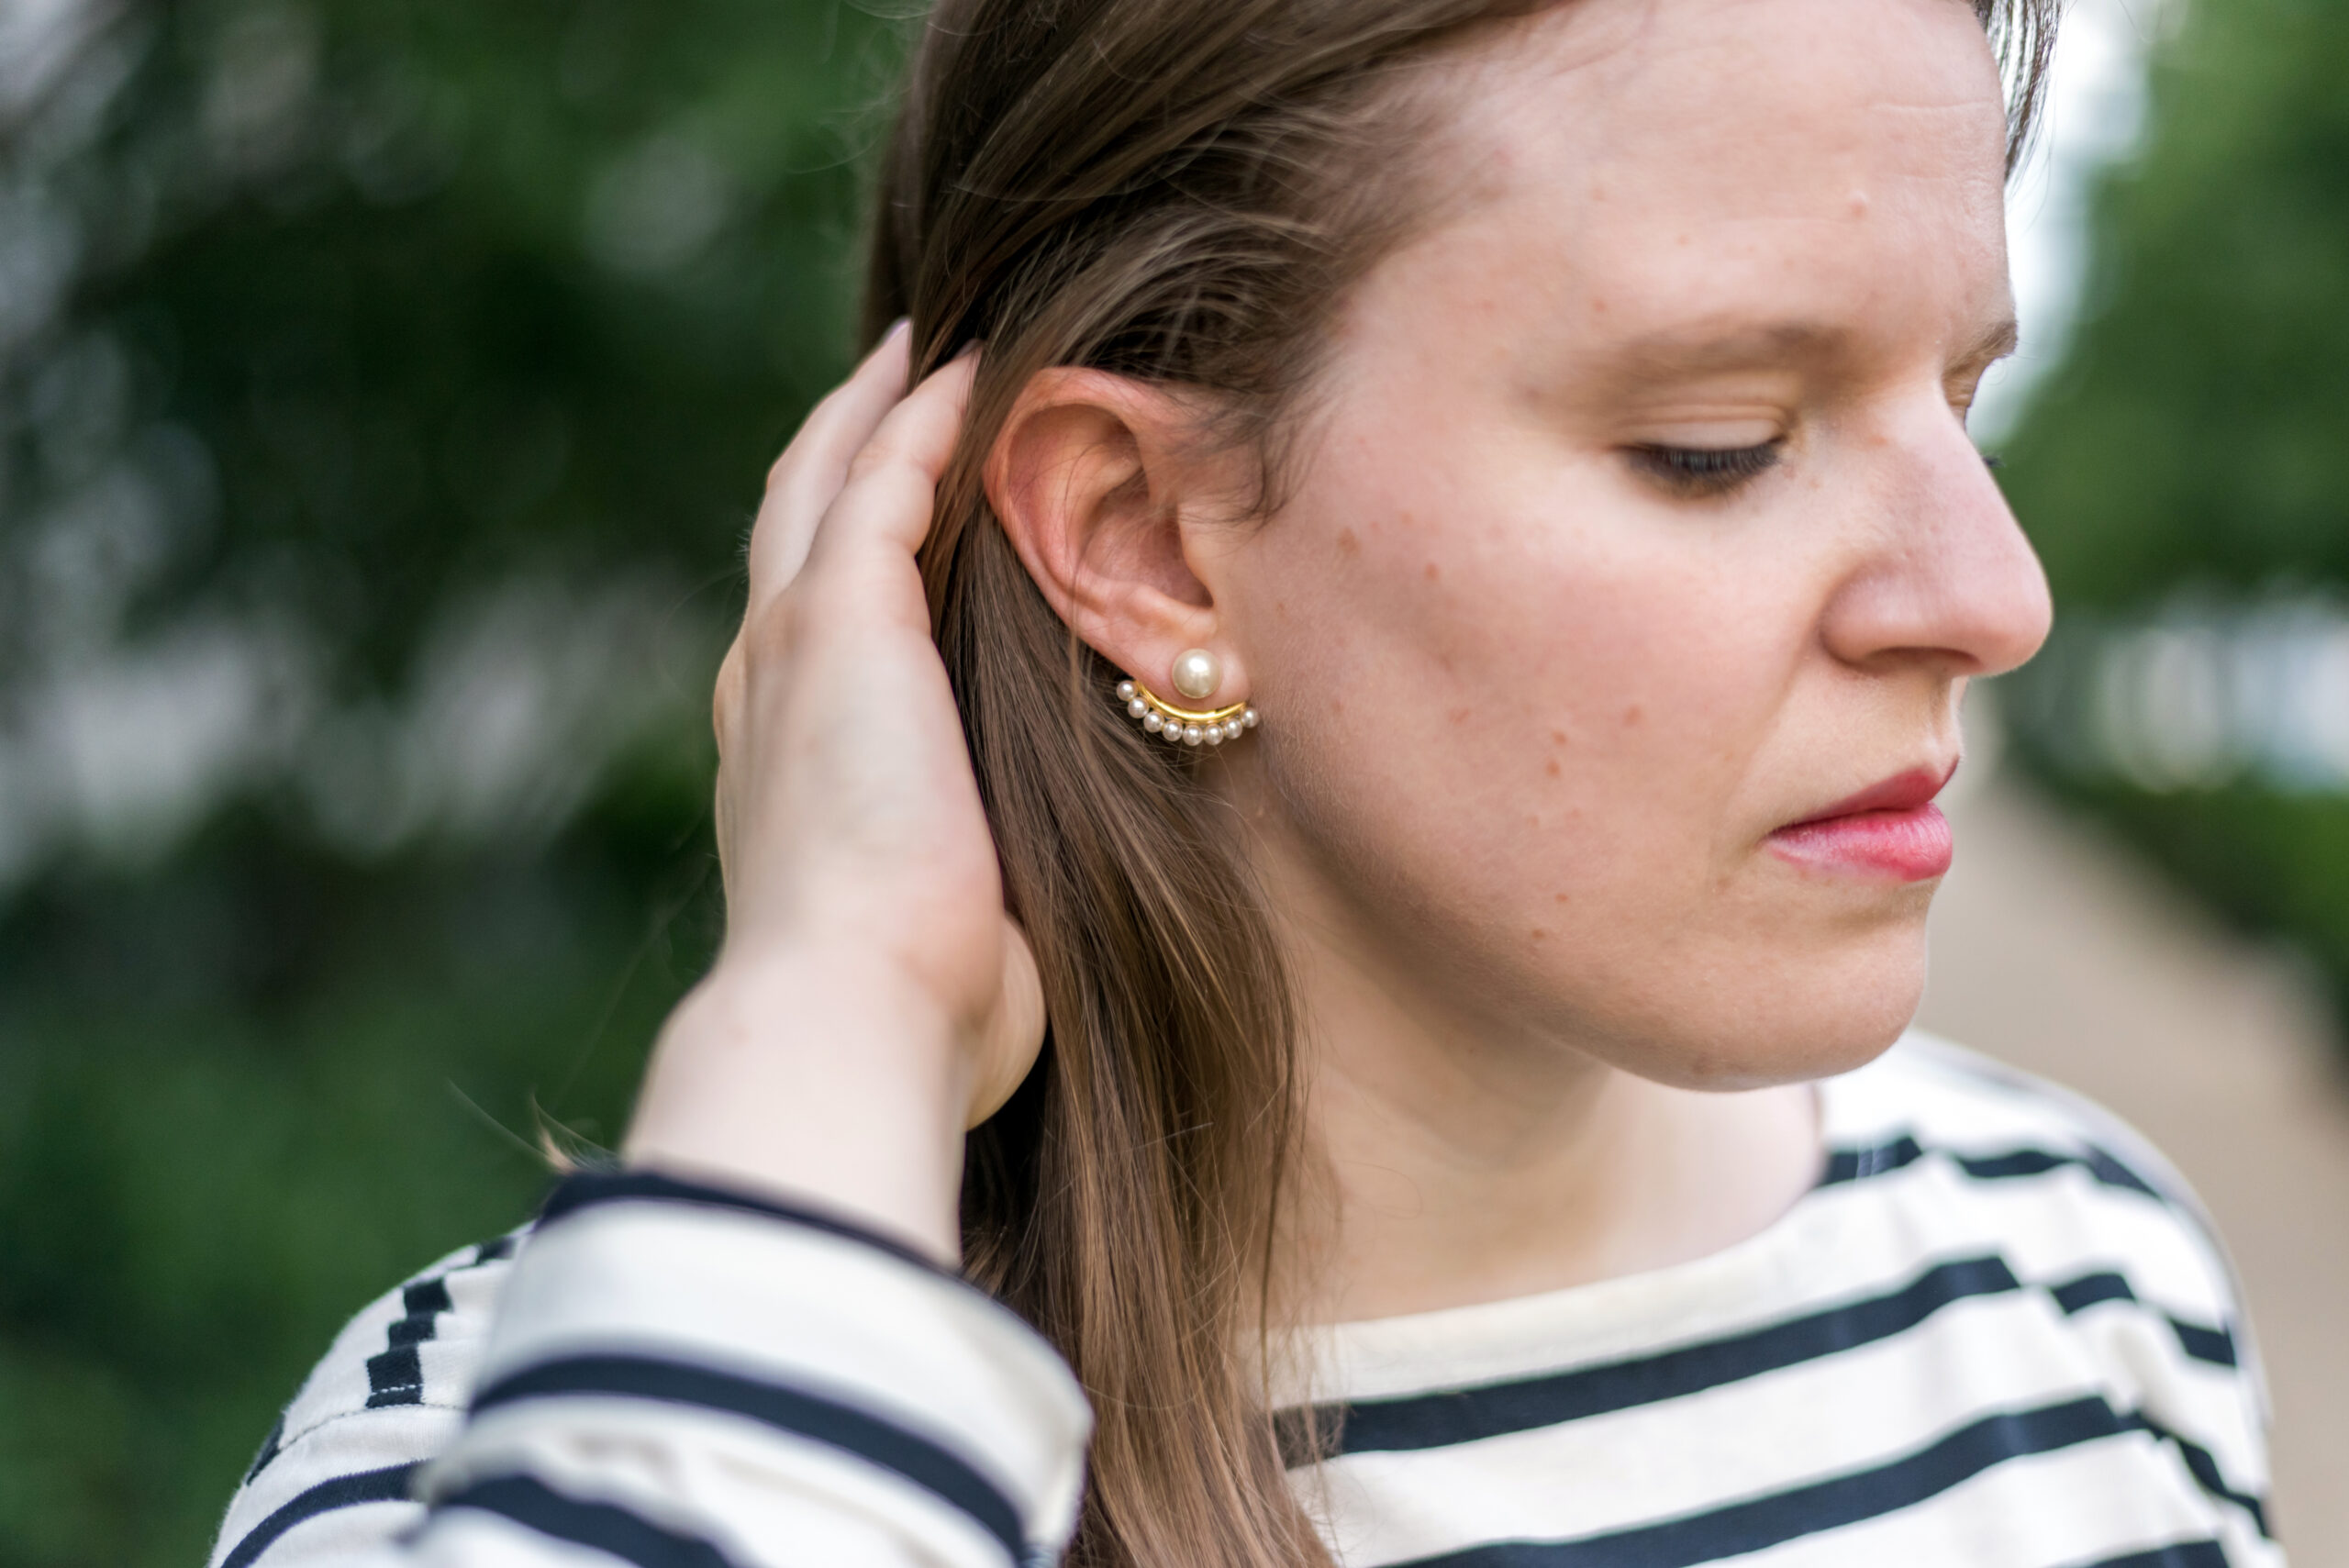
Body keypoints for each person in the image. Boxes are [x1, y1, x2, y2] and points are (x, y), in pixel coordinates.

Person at [207, 0, 2282, 1564]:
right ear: (1146, 541)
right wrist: (841, 1005)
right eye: (1718, 439)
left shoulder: (2071, 1287)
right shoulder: (505, 1453)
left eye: (1955, 398)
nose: (1991, 595)